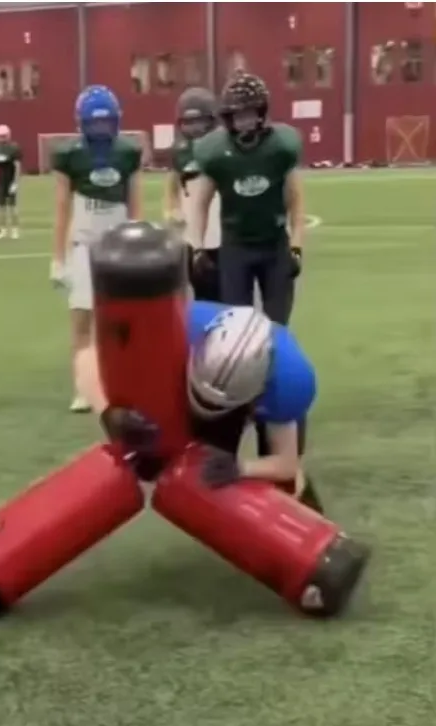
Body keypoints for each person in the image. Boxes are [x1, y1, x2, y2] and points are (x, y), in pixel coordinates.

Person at [77, 295, 323, 512]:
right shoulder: (174, 328)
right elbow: (87, 356)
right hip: (189, 376)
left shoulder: (290, 379)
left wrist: (242, 468)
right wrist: (109, 413)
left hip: (253, 395)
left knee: (283, 485)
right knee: (162, 465)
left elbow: (286, 463)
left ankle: (319, 538)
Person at [51, 85, 143, 413]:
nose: (101, 129)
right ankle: (82, 386)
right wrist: (58, 258)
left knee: (119, 319)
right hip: (84, 246)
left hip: (118, 246)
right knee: (82, 318)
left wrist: (136, 244)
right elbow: (62, 207)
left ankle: (118, 382)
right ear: (82, 122)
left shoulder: (128, 153)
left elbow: (135, 203)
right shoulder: (69, 155)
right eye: (95, 122)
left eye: (106, 122)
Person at [188, 72, 305, 324]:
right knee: (237, 324)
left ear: (261, 112)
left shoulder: (280, 147)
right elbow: (200, 205)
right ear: (228, 118)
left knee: (278, 324)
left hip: (274, 245)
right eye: (238, 116)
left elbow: (296, 201)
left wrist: (296, 246)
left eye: (249, 114)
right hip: (236, 247)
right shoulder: (215, 152)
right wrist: (197, 248)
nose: (244, 122)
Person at [164, 86, 221, 302]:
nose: (195, 128)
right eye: (189, 122)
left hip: (223, 234)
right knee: (199, 295)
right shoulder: (180, 151)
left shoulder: (223, 147)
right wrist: (172, 208)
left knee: (227, 297)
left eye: (200, 122)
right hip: (192, 236)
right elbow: (173, 182)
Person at [0, 124, 21, 239]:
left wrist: (15, 182)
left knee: (12, 206)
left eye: (2, 136)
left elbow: (17, 166)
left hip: (10, 180)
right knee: (0, 207)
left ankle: (15, 229)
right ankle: (2, 230)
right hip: (0, 181)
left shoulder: (13, 148)